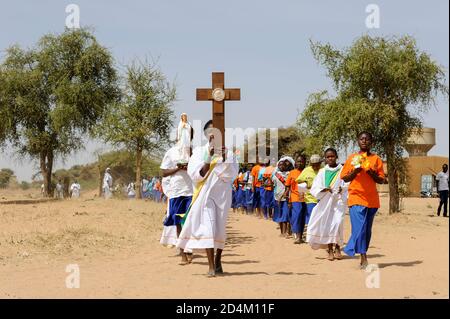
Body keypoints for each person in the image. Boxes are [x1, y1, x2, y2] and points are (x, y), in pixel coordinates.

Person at [176, 120, 239, 277]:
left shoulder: (229, 153)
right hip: (205, 194)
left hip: (223, 195)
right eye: (210, 131)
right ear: (206, 134)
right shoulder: (198, 151)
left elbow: (231, 176)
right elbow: (196, 176)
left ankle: (218, 260)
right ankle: (211, 266)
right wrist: (208, 159)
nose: (214, 134)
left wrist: (224, 159)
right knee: (208, 226)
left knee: (220, 228)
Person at [341, 132, 387, 269]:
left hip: (372, 199)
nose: (364, 141)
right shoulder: (352, 158)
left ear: (371, 142)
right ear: (358, 141)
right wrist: (356, 171)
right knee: (359, 227)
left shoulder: (376, 159)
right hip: (356, 197)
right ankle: (363, 257)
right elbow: (344, 177)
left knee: (366, 229)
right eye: (362, 139)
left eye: (367, 139)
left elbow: (381, 179)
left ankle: (362, 251)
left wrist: (370, 172)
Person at [160, 128, 194, 264]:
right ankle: (183, 253)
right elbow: (164, 172)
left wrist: (188, 167)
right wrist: (178, 168)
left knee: (189, 221)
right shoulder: (171, 152)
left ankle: (189, 248)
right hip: (176, 192)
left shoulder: (195, 152)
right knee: (178, 222)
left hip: (191, 191)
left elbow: (201, 169)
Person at [308, 148, 348, 261]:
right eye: (328, 157)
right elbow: (315, 187)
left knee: (338, 223)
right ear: (325, 159)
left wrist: (342, 188)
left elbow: (347, 183)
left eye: (332, 156)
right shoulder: (322, 172)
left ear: (336, 157)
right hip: (326, 202)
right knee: (328, 225)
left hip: (339, 201)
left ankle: (338, 247)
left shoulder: (342, 170)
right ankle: (330, 249)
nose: (330, 158)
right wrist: (324, 189)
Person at [296, 154, 322, 240]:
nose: (315, 166)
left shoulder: (323, 170)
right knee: (311, 216)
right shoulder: (306, 170)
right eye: (313, 165)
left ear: (320, 163)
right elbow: (299, 181)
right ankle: (309, 236)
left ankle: (317, 236)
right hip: (310, 197)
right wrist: (305, 185)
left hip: (322, 198)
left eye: (317, 164)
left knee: (319, 217)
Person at [284, 154, 307, 244]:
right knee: (297, 216)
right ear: (295, 163)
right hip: (295, 197)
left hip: (306, 198)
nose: (300, 163)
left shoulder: (307, 171)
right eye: (298, 161)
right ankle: (297, 236)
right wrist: (287, 197)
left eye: (302, 161)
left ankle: (300, 236)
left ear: (305, 162)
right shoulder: (292, 173)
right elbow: (287, 186)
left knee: (303, 217)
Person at [274, 157, 294, 237]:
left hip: (287, 197)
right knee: (280, 215)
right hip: (277, 197)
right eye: (280, 165)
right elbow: (272, 184)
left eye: (283, 165)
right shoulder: (275, 175)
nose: (281, 166)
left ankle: (286, 232)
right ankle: (282, 232)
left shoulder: (289, 174)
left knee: (285, 215)